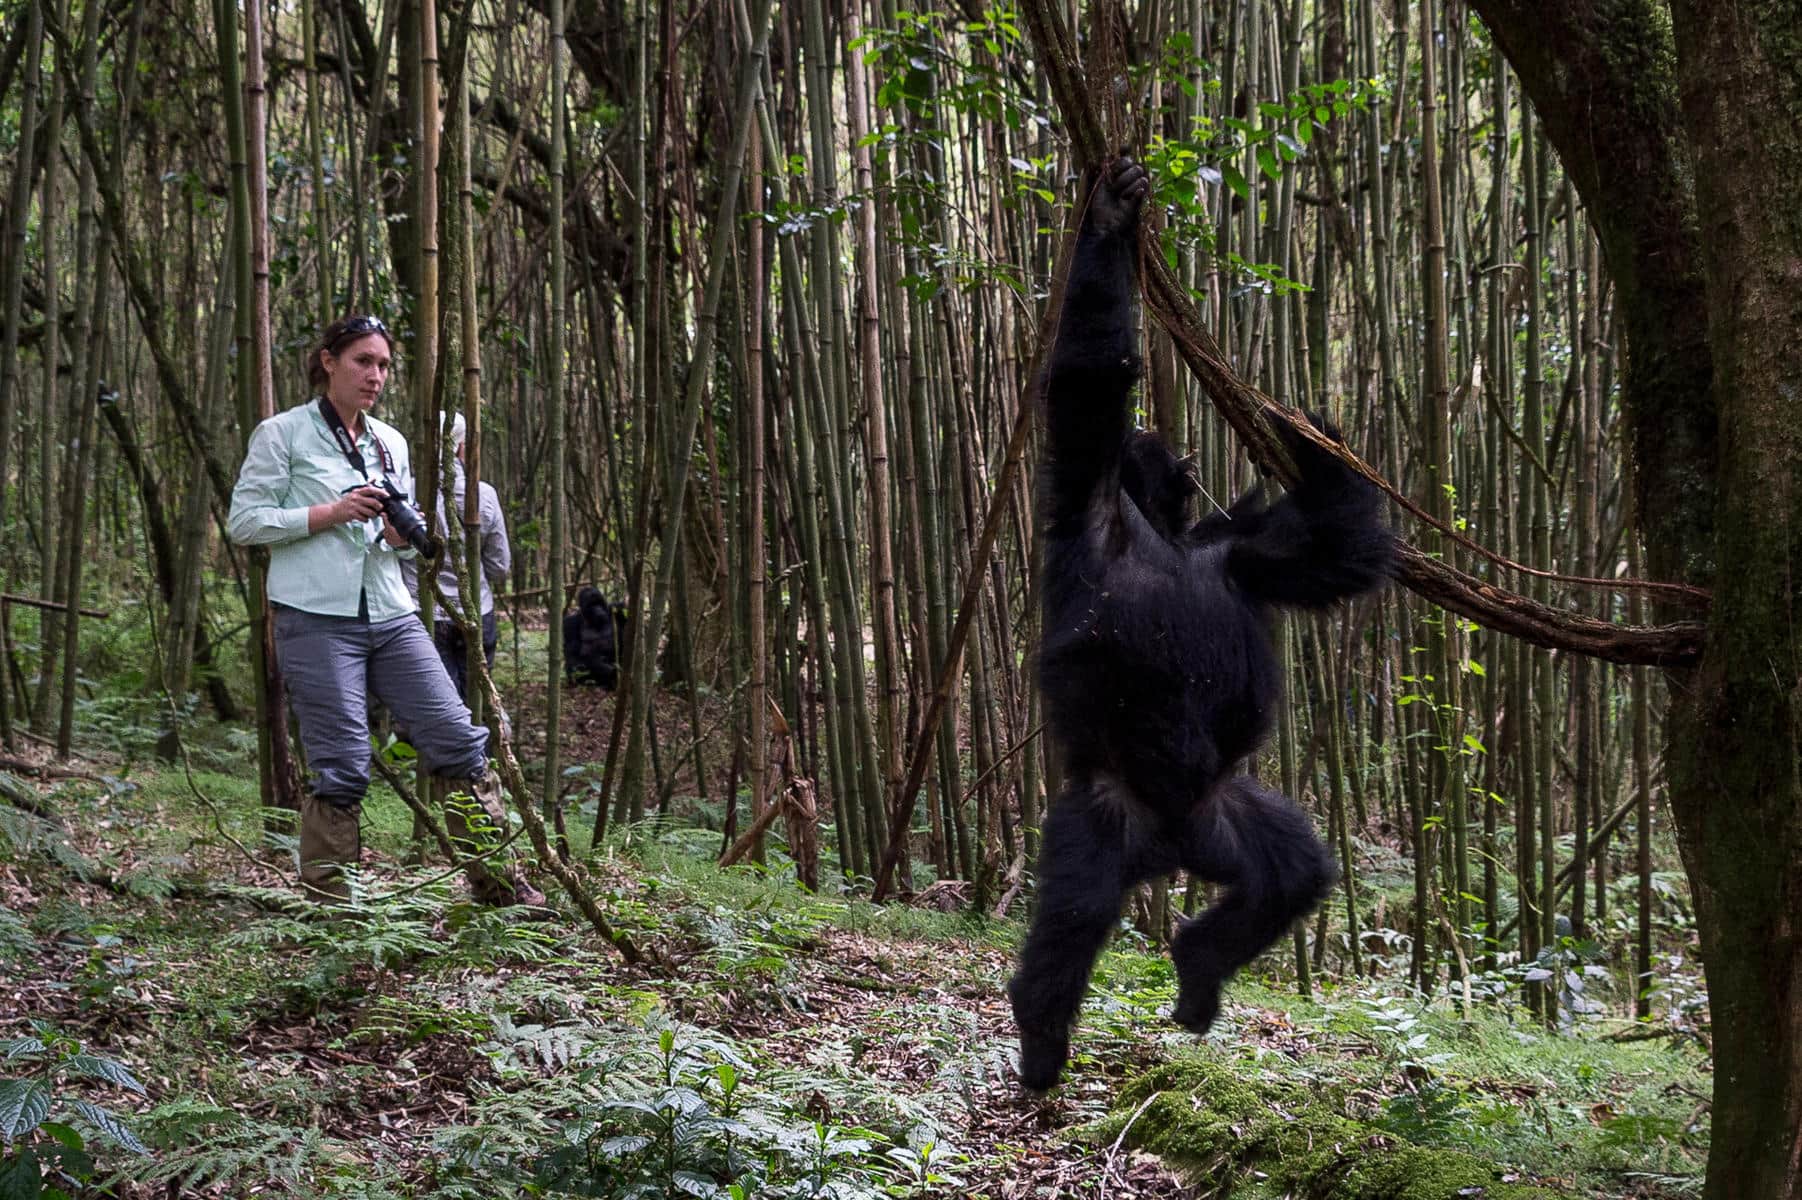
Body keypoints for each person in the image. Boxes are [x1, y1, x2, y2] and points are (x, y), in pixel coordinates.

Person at [226, 314, 544, 907]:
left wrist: (395, 538)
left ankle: (500, 887)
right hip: (315, 617)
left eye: (383, 366)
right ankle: (333, 909)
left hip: (393, 612)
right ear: (328, 362)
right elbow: (244, 522)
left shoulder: (389, 440)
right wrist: (330, 512)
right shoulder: (283, 434)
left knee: (457, 738)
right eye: (362, 362)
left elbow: (386, 527)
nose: (375, 375)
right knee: (343, 763)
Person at [402, 411, 511, 701]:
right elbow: (500, 567)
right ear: (462, 447)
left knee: (439, 706)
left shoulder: (406, 493)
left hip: (422, 613)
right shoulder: (483, 495)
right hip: (476, 610)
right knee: (477, 702)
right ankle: (483, 744)